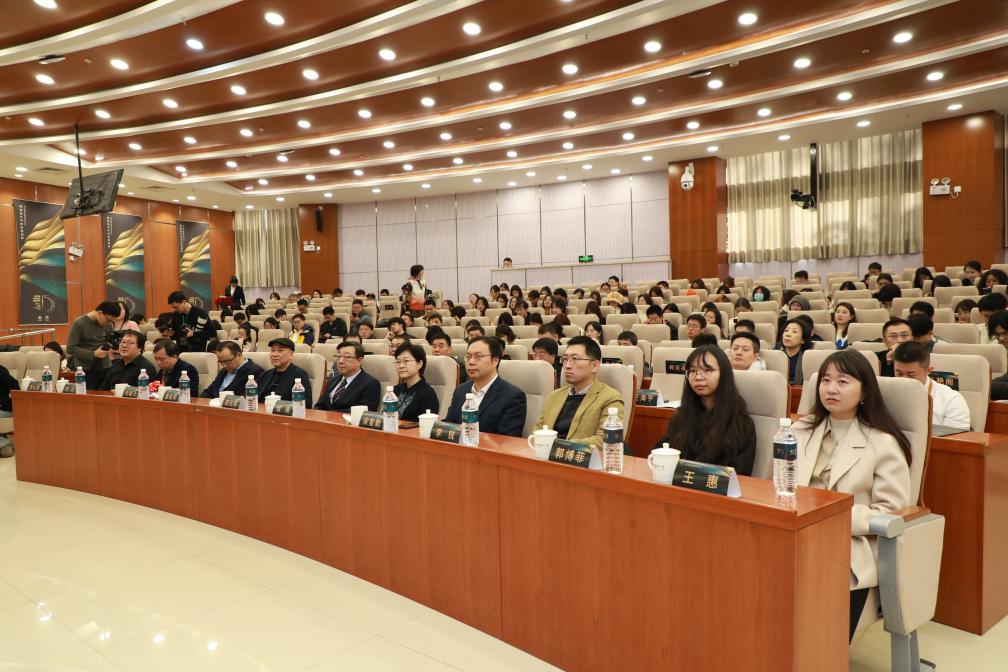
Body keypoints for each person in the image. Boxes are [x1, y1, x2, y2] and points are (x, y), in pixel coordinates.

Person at [792, 349, 912, 641]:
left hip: (849, 541)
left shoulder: (882, 443)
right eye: (826, 380)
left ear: (864, 392)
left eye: (842, 381)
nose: (831, 389)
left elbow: (892, 512)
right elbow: (777, 486)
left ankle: (820, 652)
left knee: (815, 636)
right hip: (794, 531)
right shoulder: (799, 430)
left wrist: (829, 517)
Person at [654, 345, 756, 475]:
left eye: (707, 370)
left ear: (724, 374)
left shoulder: (741, 423)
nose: (698, 377)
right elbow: (661, 455)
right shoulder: (681, 417)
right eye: (692, 371)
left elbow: (740, 475)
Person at [533, 336, 624, 451]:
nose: (567, 365)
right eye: (565, 359)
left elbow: (607, 439)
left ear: (595, 366)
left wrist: (560, 446)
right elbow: (538, 431)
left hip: (579, 458)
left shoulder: (610, 398)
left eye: (575, 359)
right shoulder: (554, 396)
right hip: (545, 455)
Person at [445, 336, 526, 437]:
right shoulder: (460, 390)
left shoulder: (513, 397)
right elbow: (449, 425)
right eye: (468, 357)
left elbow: (507, 439)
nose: (471, 362)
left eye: (478, 357)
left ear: (495, 360)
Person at [892, 341, 970, 429]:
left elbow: (955, 437)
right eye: (899, 373)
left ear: (928, 371)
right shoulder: (885, 393)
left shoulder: (951, 399)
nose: (904, 380)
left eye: (911, 375)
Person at [66, 301, 122, 389]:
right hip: (85, 370)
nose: (109, 323)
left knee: (106, 395)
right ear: (100, 313)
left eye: (112, 321)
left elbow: (111, 341)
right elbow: (70, 348)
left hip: (105, 366)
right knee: (88, 395)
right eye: (108, 320)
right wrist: (93, 354)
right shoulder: (79, 324)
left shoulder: (108, 324)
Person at [315, 341, 381, 412]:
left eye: (346, 357)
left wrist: (329, 415)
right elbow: (319, 405)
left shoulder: (370, 384)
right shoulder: (332, 380)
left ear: (359, 361)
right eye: (338, 356)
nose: (340, 361)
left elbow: (364, 411)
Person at [390, 343, 441, 421]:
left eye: (406, 361)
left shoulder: (428, 394)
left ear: (419, 364)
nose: (401, 366)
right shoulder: (394, 390)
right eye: (398, 362)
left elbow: (427, 424)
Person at [255, 338, 312, 402]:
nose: (274, 355)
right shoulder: (265, 374)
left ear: (291, 354)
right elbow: (251, 397)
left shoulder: (299, 375)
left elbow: (306, 403)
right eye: (273, 350)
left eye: (280, 351)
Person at [776, 318, 812, 384]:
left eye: (794, 331)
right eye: (786, 330)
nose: (788, 334)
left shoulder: (808, 359)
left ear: (803, 340)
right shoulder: (775, 356)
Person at [0, 361, 19, 457]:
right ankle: (3, 444)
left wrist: (1, 403)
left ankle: (4, 445)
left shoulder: (1, 371)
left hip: (6, 409)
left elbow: (15, 390)